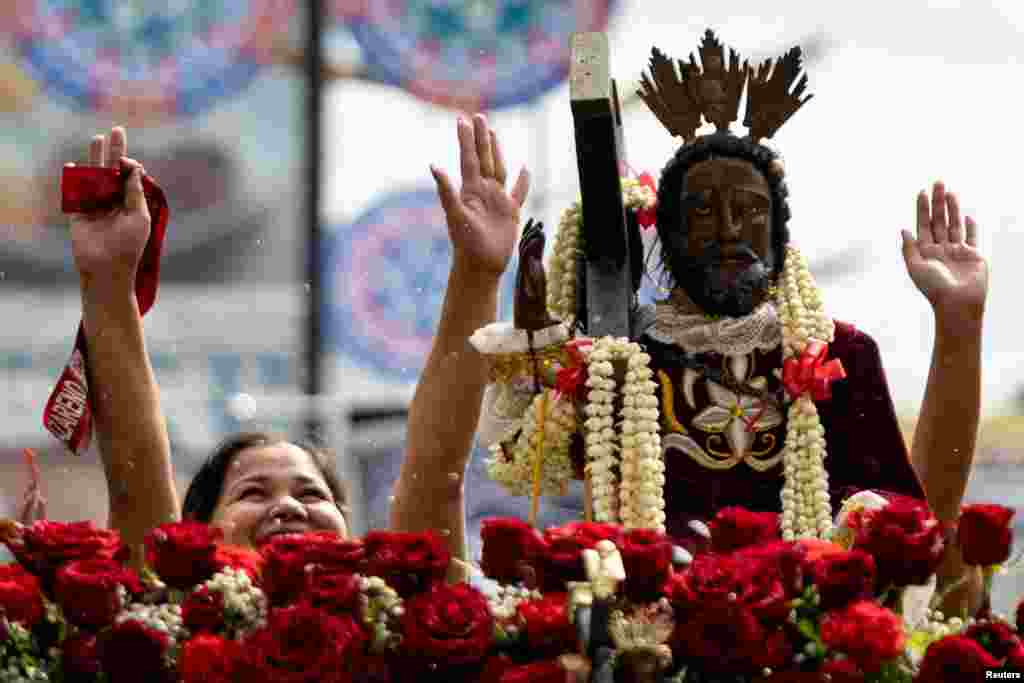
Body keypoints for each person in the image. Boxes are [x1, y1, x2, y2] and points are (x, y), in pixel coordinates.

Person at [391, 35, 988, 612]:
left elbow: (915, 527)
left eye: (750, 210)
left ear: (780, 235)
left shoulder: (841, 352)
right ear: (666, 237)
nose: (729, 228)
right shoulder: (613, 362)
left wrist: (959, 329)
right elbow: (498, 462)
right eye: (702, 211)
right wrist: (498, 301)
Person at [63, 128, 350, 554]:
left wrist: (479, 274)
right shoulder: (173, 612)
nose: (289, 508)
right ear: (197, 536)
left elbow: (440, 477)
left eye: (311, 494)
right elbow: (136, 479)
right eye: (252, 493)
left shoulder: (400, 615)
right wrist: (107, 281)